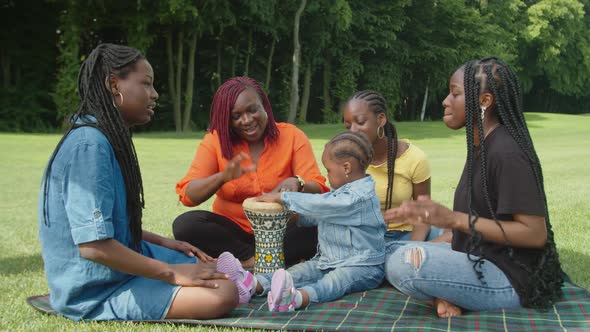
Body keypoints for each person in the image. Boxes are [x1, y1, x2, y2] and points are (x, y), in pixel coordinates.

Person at [38, 44, 238, 321]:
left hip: (123, 266)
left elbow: (110, 225)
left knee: (215, 269)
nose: (154, 94)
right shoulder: (89, 146)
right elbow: (93, 246)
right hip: (97, 289)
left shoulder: (104, 138)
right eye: (146, 84)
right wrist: (172, 272)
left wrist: (165, 243)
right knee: (223, 293)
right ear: (113, 84)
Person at [384, 57, 563, 318]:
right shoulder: (482, 145)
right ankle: (446, 295)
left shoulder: (506, 152)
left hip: (508, 280)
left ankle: (446, 295)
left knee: (404, 263)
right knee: (399, 252)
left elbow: (535, 234)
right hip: (479, 257)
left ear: (484, 101)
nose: (445, 101)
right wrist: (445, 229)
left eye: (455, 93)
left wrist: (455, 220)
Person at [215, 131, 386, 311]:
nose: (327, 176)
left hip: (363, 266)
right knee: (299, 271)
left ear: (346, 168)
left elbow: (323, 205)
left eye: (328, 170)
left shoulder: (359, 197)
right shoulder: (342, 193)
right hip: (329, 260)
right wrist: (294, 216)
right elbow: (321, 213)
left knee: (334, 282)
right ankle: (251, 284)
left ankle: (297, 298)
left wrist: (284, 197)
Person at [174, 77, 329, 268]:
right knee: (185, 225)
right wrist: (221, 177)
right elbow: (189, 195)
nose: (246, 120)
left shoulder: (292, 136)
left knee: (323, 222)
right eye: (235, 116)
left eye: (252, 110)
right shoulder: (215, 141)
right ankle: (258, 259)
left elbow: (319, 189)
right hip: (234, 237)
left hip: (283, 231)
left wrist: (298, 182)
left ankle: (252, 261)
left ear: (264, 106)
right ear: (226, 119)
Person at [343, 90, 441, 242]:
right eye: (348, 126)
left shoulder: (415, 158)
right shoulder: (347, 160)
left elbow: (423, 213)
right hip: (365, 238)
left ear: (381, 119)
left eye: (361, 122)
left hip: (406, 235)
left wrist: (414, 247)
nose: (353, 131)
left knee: (453, 237)